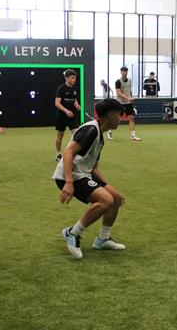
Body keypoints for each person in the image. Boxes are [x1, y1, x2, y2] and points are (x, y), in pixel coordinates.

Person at [54, 98, 128, 260]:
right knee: (105, 200)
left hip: (83, 174)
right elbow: (68, 153)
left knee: (114, 198)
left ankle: (102, 240)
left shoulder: (99, 137)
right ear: (109, 116)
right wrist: (68, 181)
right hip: (69, 176)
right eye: (118, 115)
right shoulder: (90, 130)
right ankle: (72, 232)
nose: (120, 119)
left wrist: (109, 186)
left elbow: (93, 167)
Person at [54, 69, 82, 161]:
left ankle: (73, 153)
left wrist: (77, 105)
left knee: (77, 134)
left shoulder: (74, 88)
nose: (74, 79)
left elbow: (74, 99)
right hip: (62, 116)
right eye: (72, 78)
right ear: (66, 78)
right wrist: (66, 111)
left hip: (72, 116)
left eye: (75, 78)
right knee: (60, 135)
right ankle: (58, 154)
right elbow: (57, 103)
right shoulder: (61, 88)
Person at [112, 66, 142, 141]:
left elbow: (129, 90)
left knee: (131, 118)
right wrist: (127, 98)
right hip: (120, 103)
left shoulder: (129, 80)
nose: (125, 73)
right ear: (121, 72)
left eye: (126, 71)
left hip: (128, 103)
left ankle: (133, 136)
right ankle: (110, 132)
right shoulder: (118, 81)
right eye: (123, 71)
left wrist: (130, 98)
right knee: (116, 119)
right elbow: (119, 93)